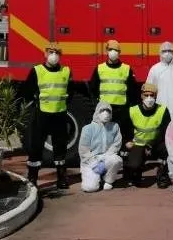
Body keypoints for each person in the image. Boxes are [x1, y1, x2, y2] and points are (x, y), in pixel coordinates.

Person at [23, 42, 73, 190]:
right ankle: (32, 178)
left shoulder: (66, 71)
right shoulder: (37, 71)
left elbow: (71, 92)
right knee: (36, 146)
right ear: (45, 54)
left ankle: (62, 177)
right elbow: (27, 92)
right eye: (51, 52)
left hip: (60, 114)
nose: (54, 55)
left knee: (60, 147)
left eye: (57, 53)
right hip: (42, 115)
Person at [89, 39, 139, 141]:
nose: (113, 52)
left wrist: (128, 106)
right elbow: (93, 88)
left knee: (120, 134)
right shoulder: (99, 68)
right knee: (103, 135)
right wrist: (97, 104)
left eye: (116, 50)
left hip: (121, 110)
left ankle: (119, 154)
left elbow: (132, 90)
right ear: (106, 51)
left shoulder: (126, 69)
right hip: (104, 109)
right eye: (111, 49)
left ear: (119, 53)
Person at [124, 83, 172, 188]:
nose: (149, 98)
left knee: (171, 151)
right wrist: (127, 141)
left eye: (152, 95)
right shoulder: (133, 110)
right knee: (134, 164)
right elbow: (126, 128)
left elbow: (166, 131)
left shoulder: (163, 110)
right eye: (146, 95)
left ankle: (163, 175)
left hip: (156, 144)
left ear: (156, 96)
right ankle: (136, 173)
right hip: (138, 144)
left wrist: (150, 145)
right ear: (141, 96)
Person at [78, 102, 123, 193]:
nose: (105, 113)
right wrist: (93, 162)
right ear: (97, 112)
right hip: (91, 161)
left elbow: (117, 143)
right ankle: (97, 176)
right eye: (102, 110)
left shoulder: (115, 127)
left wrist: (106, 156)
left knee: (116, 160)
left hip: (106, 157)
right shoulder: (88, 128)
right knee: (90, 188)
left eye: (108, 111)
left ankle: (108, 180)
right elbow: (83, 149)